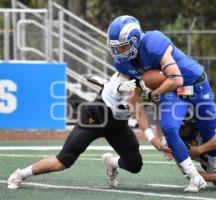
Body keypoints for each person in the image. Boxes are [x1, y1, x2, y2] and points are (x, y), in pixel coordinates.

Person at [107, 15, 216, 192]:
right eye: (115, 48)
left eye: (122, 46)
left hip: (193, 85)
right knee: (169, 128)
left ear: (135, 40)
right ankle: (194, 177)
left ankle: (214, 167)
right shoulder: (123, 64)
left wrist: (153, 94)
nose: (118, 52)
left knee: (208, 128)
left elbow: (177, 79)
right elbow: (134, 102)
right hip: (172, 92)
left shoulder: (153, 42)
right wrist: (152, 137)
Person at [7, 73, 146, 189]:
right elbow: (116, 88)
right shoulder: (121, 80)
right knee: (63, 160)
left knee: (135, 164)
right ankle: (20, 174)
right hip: (94, 119)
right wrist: (120, 87)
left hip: (117, 125)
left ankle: (112, 162)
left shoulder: (148, 83)